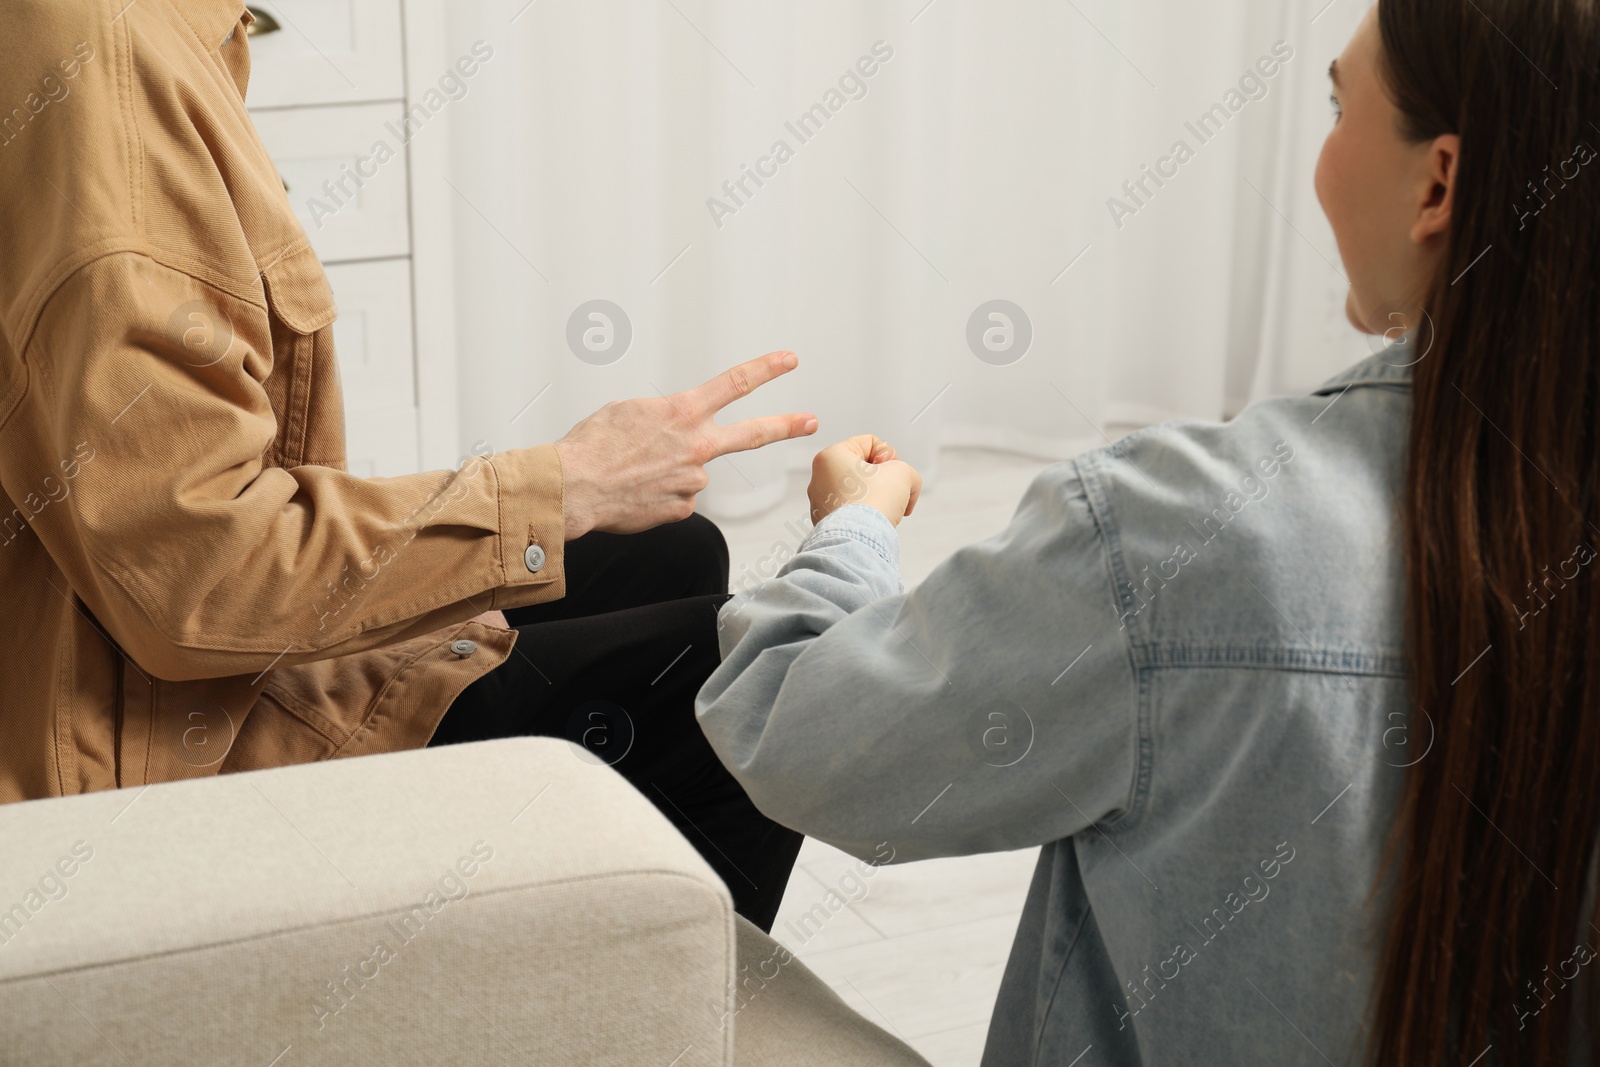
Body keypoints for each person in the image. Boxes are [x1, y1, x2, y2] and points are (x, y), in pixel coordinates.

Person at [697, 0, 1600, 1061]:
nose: (1319, 156)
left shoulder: (1194, 531)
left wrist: (850, 529)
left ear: (1436, 184)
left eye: (1336, 104)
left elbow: (803, 739)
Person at [0, 0, 813, 933]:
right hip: (154, 753)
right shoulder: (106, 70)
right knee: (760, 685)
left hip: (160, 658)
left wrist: (558, 498)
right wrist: (564, 484)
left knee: (672, 548)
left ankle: (585, 969)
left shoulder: (161, 32)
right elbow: (195, 582)